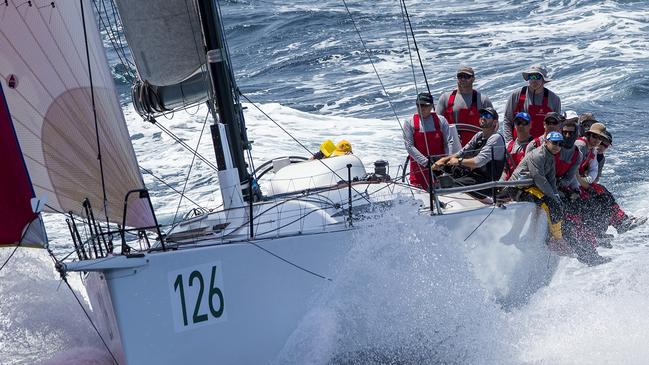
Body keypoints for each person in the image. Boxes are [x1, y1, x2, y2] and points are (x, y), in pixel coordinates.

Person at [432, 107, 505, 199]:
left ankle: (443, 198)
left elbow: (478, 162)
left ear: (494, 122)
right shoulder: (478, 135)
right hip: (471, 175)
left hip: (486, 183)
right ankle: (434, 194)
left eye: (487, 116)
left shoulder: (496, 138)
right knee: (433, 161)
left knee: (452, 183)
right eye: (481, 115)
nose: (483, 117)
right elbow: (462, 152)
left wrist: (458, 161)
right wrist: (444, 160)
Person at [506, 131, 565, 242]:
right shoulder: (538, 155)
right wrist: (552, 196)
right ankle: (557, 239)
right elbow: (539, 179)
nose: (558, 146)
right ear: (546, 142)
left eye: (560, 144)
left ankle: (553, 237)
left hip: (530, 187)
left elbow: (551, 179)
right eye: (555, 143)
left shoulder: (550, 156)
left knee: (558, 202)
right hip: (517, 188)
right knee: (550, 203)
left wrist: (556, 195)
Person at [404, 92, 453, 190]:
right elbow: (409, 146)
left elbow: (449, 142)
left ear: (431, 106)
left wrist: (446, 160)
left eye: (424, 105)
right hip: (419, 170)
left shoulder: (441, 120)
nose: (421, 108)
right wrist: (426, 163)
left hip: (440, 168)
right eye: (418, 105)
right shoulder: (409, 122)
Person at [503, 65, 561, 143]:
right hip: (519, 145)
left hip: (543, 145)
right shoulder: (517, 95)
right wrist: (509, 142)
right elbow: (507, 119)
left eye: (537, 76)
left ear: (543, 79)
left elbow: (557, 125)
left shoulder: (554, 99)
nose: (534, 80)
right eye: (531, 77)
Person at [436, 66, 493, 145]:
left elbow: (493, 124)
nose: (463, 79)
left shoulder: (482, 100)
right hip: (451, 146)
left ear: (473, 79)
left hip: (476, 146)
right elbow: (437, 123)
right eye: (460, 76)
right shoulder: (445, 98)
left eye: (466, 76)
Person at [502, 112, 533, 180]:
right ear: (514, 125)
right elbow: (504, 170)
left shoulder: (536, 145)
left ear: (530, 125)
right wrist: (501, 182)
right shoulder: (509, 146)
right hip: (509, 185)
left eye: (524, 123)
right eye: (518, 123)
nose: (520, 126)